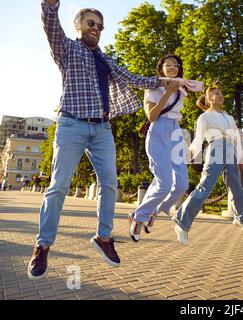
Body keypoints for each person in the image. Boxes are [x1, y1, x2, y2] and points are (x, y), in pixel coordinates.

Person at [28, 0, 175, 281]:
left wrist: (163, 82)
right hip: (72, 125)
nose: (95, 29)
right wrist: (49, 6)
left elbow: (132, 78)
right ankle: (43, 244)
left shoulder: (105, 59)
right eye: (90, 23)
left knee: (110, 184)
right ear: (79, 26)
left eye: (99, 25)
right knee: (58, 186)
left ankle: (103, 237)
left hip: (102, 129)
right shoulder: (67, 49)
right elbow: (50, 28)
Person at [172, 84, 243, 245]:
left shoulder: (228, 117)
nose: (221, 96)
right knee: (205, 187)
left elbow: (236, 137)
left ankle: (240, 218)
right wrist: (189, 154)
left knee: (237, 186)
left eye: (221, 93)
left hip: (230, 151)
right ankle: (181, 222)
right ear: (209, 99)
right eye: (216, 94)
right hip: (215, 149)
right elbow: (198, 138)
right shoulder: (205, 118)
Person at [128, 54, 190, 242]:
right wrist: (167, 93)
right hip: (158, 129)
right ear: (161, 69)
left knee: (181, 184)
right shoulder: (152, 88)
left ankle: (152, 211)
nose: (172, 67)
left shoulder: (182, 89)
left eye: (175, 65)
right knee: (163, 183)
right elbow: (151, 116)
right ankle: (139, 217)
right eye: (168, 65)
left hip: (176, 130)